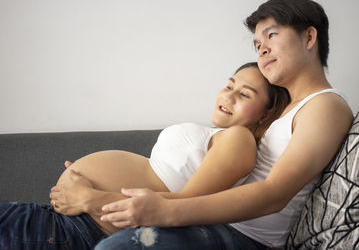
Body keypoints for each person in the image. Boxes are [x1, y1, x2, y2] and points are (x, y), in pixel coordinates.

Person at [92, 0, 354, 249]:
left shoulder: (325, 105)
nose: (262, 48)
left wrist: (168, 210)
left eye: (271, 35)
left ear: (309, 37)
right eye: (257, 43)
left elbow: (275, 194)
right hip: (223, 225)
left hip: (246, 237)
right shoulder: (286, 111)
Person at [0, 63, 290, 249]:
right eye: (229, 85)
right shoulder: (213, 135)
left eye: (245, 94)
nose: (228, 96)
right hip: (62, 221)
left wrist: (91, 198)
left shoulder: (239, 138)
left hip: (80, 231)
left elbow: (187, 207)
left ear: (266, 113)